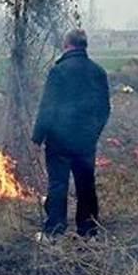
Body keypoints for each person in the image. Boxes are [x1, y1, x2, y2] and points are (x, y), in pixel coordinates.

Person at [32, 29, 110, 240]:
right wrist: (94, 133)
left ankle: (54, 232)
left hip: (59, 141)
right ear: (84, 46)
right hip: (86, 141)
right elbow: (104, 109)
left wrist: (37, 138)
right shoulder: (98, 72)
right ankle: (89, 232)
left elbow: (47, 108)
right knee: (86, 184)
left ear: (67, 45)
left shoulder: (59, 72)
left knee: (58, 184)